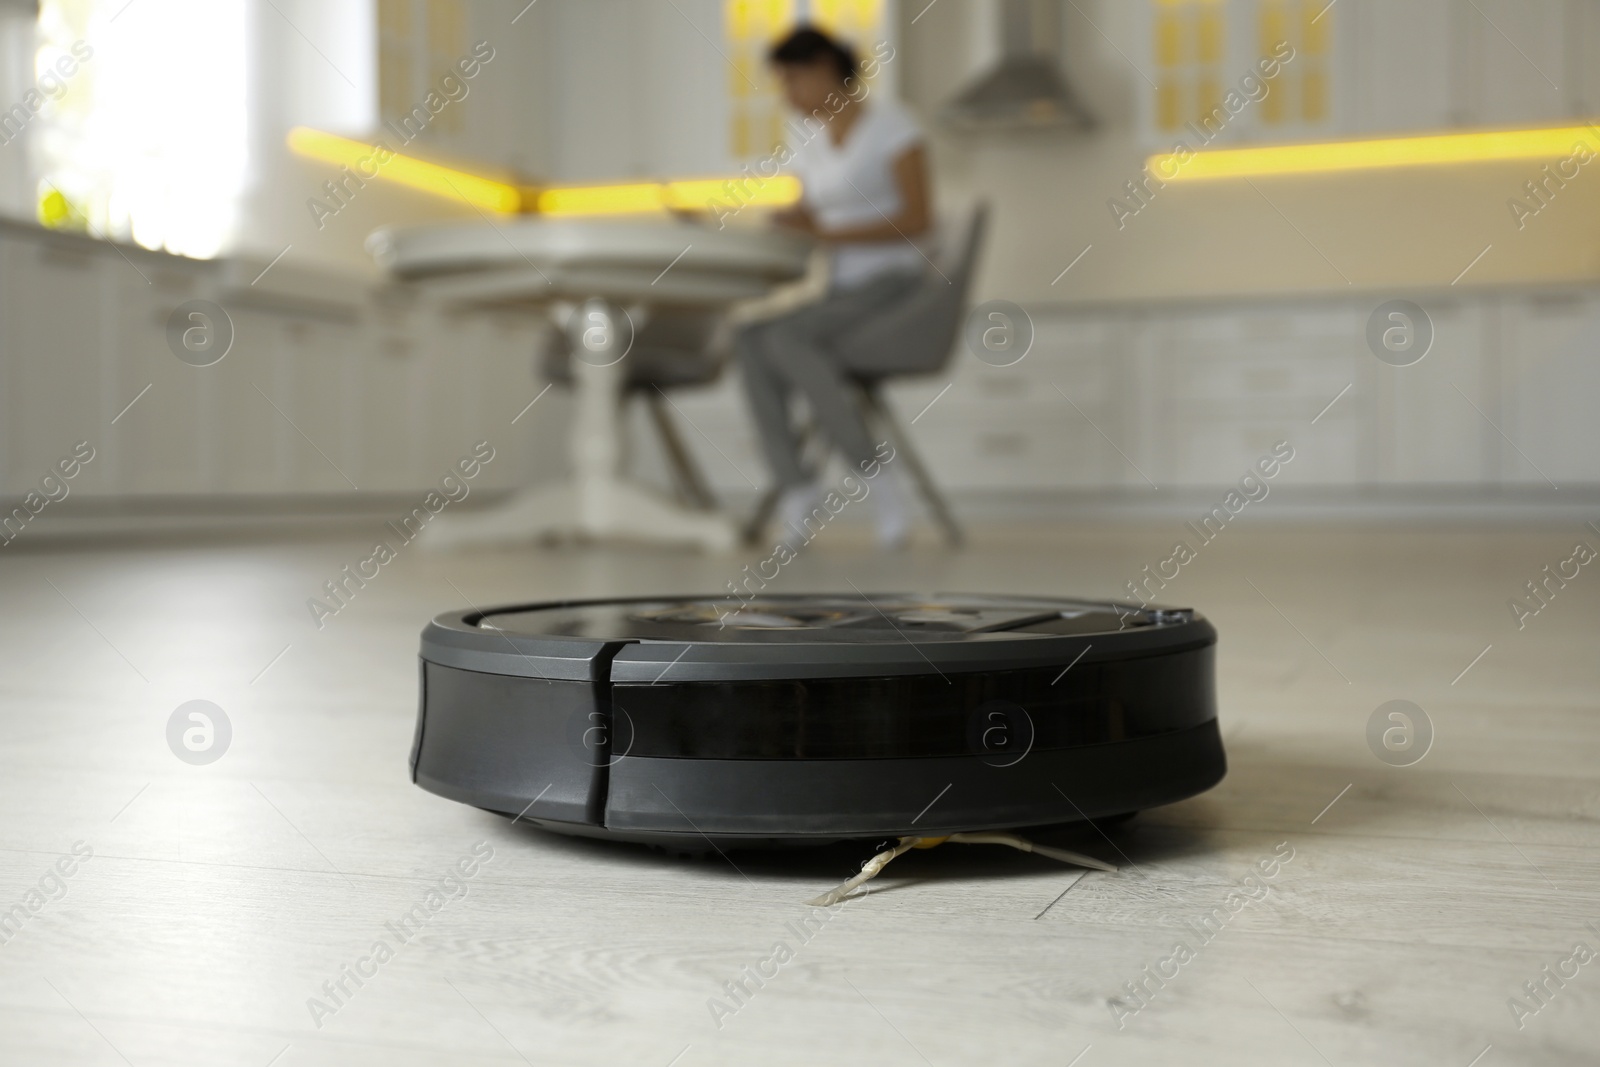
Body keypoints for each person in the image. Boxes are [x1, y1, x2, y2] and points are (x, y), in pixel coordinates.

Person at [737, 25, 932, 550]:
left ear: (825, 69)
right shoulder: (811, 145)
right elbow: (805, 217)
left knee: (787, 338)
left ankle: (877, 476)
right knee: (749, 339)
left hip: (896, 285)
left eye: (792, 80)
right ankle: (797, 485)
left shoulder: (892, 125)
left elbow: (917, 218)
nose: (787, 96)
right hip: (841, 295)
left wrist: (823, 231)